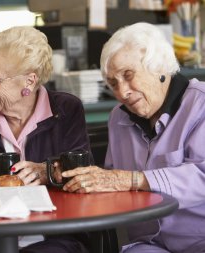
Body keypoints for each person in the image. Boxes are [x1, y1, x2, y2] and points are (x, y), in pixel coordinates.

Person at [61, 22, 205, 253]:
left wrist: (134, 180)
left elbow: (202, 177)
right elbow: (113, 181)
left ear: (158, 67)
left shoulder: (201, 105)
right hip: (150, 245)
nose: (122, 92)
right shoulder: (118, 118)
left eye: (128, 75)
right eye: (113, 83)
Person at [0, 26, 91, 253]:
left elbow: (83, 173)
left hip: (56, 235)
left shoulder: (67, 110)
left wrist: (45, 171)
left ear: (29, 81)